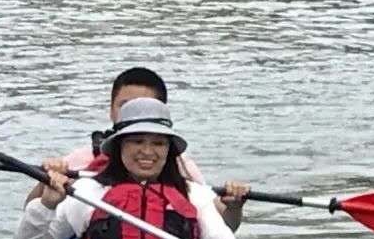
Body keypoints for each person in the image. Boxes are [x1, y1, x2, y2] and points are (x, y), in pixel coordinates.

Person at [13, 98, 254, 239]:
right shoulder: (87, 192)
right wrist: (47, 205)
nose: (148, 152)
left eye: (158, 143)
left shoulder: (193, 194)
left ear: (169, 150)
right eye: (137, 141)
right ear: (119, 147)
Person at [24, 67, 249, 230]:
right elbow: (32, 211)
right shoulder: (80, 160)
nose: (137, 113)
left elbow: (221, 223)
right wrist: (45, 182)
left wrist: (234, 207)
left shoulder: (178, 165)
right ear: (112, 110)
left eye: (145, 106)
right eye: (126, 106)